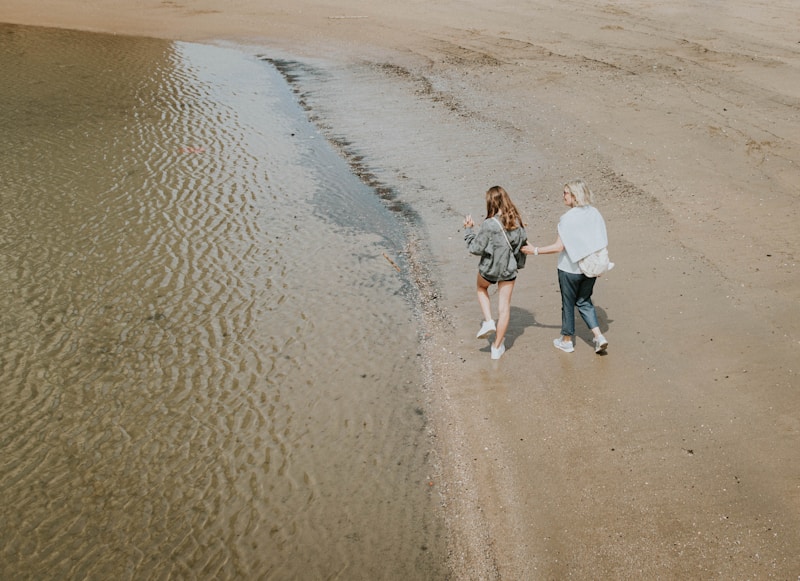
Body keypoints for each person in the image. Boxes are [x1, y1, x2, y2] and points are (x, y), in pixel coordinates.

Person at [522, 179, 610, 354]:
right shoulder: (595, 213)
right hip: (591, 268)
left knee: (568, 304)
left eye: (566, 193)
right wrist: (601, 265)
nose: (563, 196)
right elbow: (602, 241)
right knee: (585, 301)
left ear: (574, 195)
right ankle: (599, 337)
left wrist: (535, 250)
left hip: (569, 269)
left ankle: (567, 340)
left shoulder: (567, 218)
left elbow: (559, 247)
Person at [464, 186, 527, 360]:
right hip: (508, 269)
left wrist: (469, 230)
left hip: (489, 268)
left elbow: (475, 248)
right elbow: (521, 244)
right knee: (504, 307)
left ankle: (489, 321)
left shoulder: (489, 224)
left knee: (480, 288)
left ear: (490, 202)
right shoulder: (517, 221)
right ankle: (496, 347)